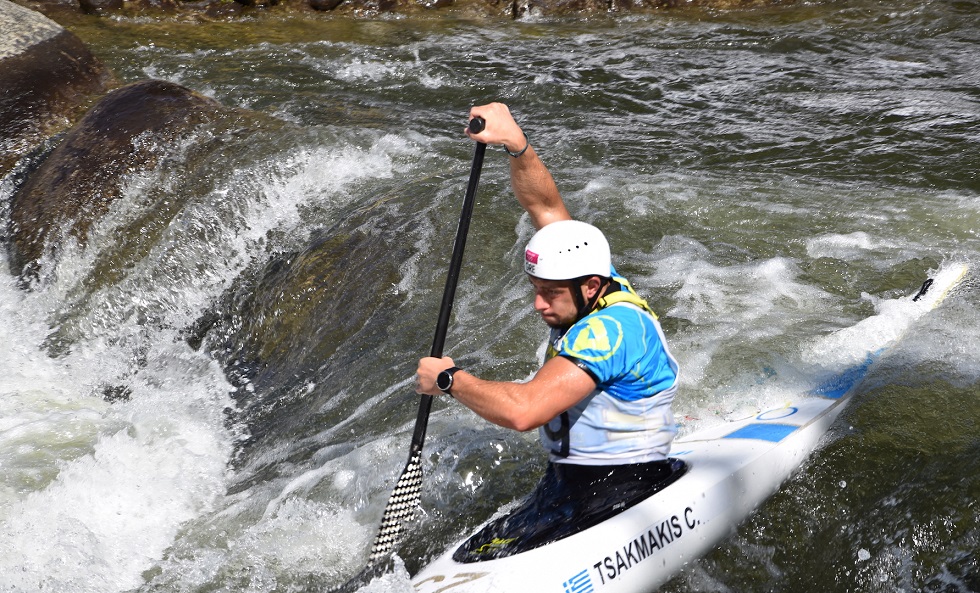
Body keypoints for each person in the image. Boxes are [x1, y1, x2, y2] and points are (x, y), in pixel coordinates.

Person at [415, 102, 684, 559]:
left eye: (550, 294)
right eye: (535, 289)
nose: (539, 304)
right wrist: (515, 143)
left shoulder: (611, 330)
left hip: (623, 488)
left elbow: (526, 412)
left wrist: (448, 379)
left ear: (590, 286)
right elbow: (545, 206)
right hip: (564, 484)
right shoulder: (587, 277)